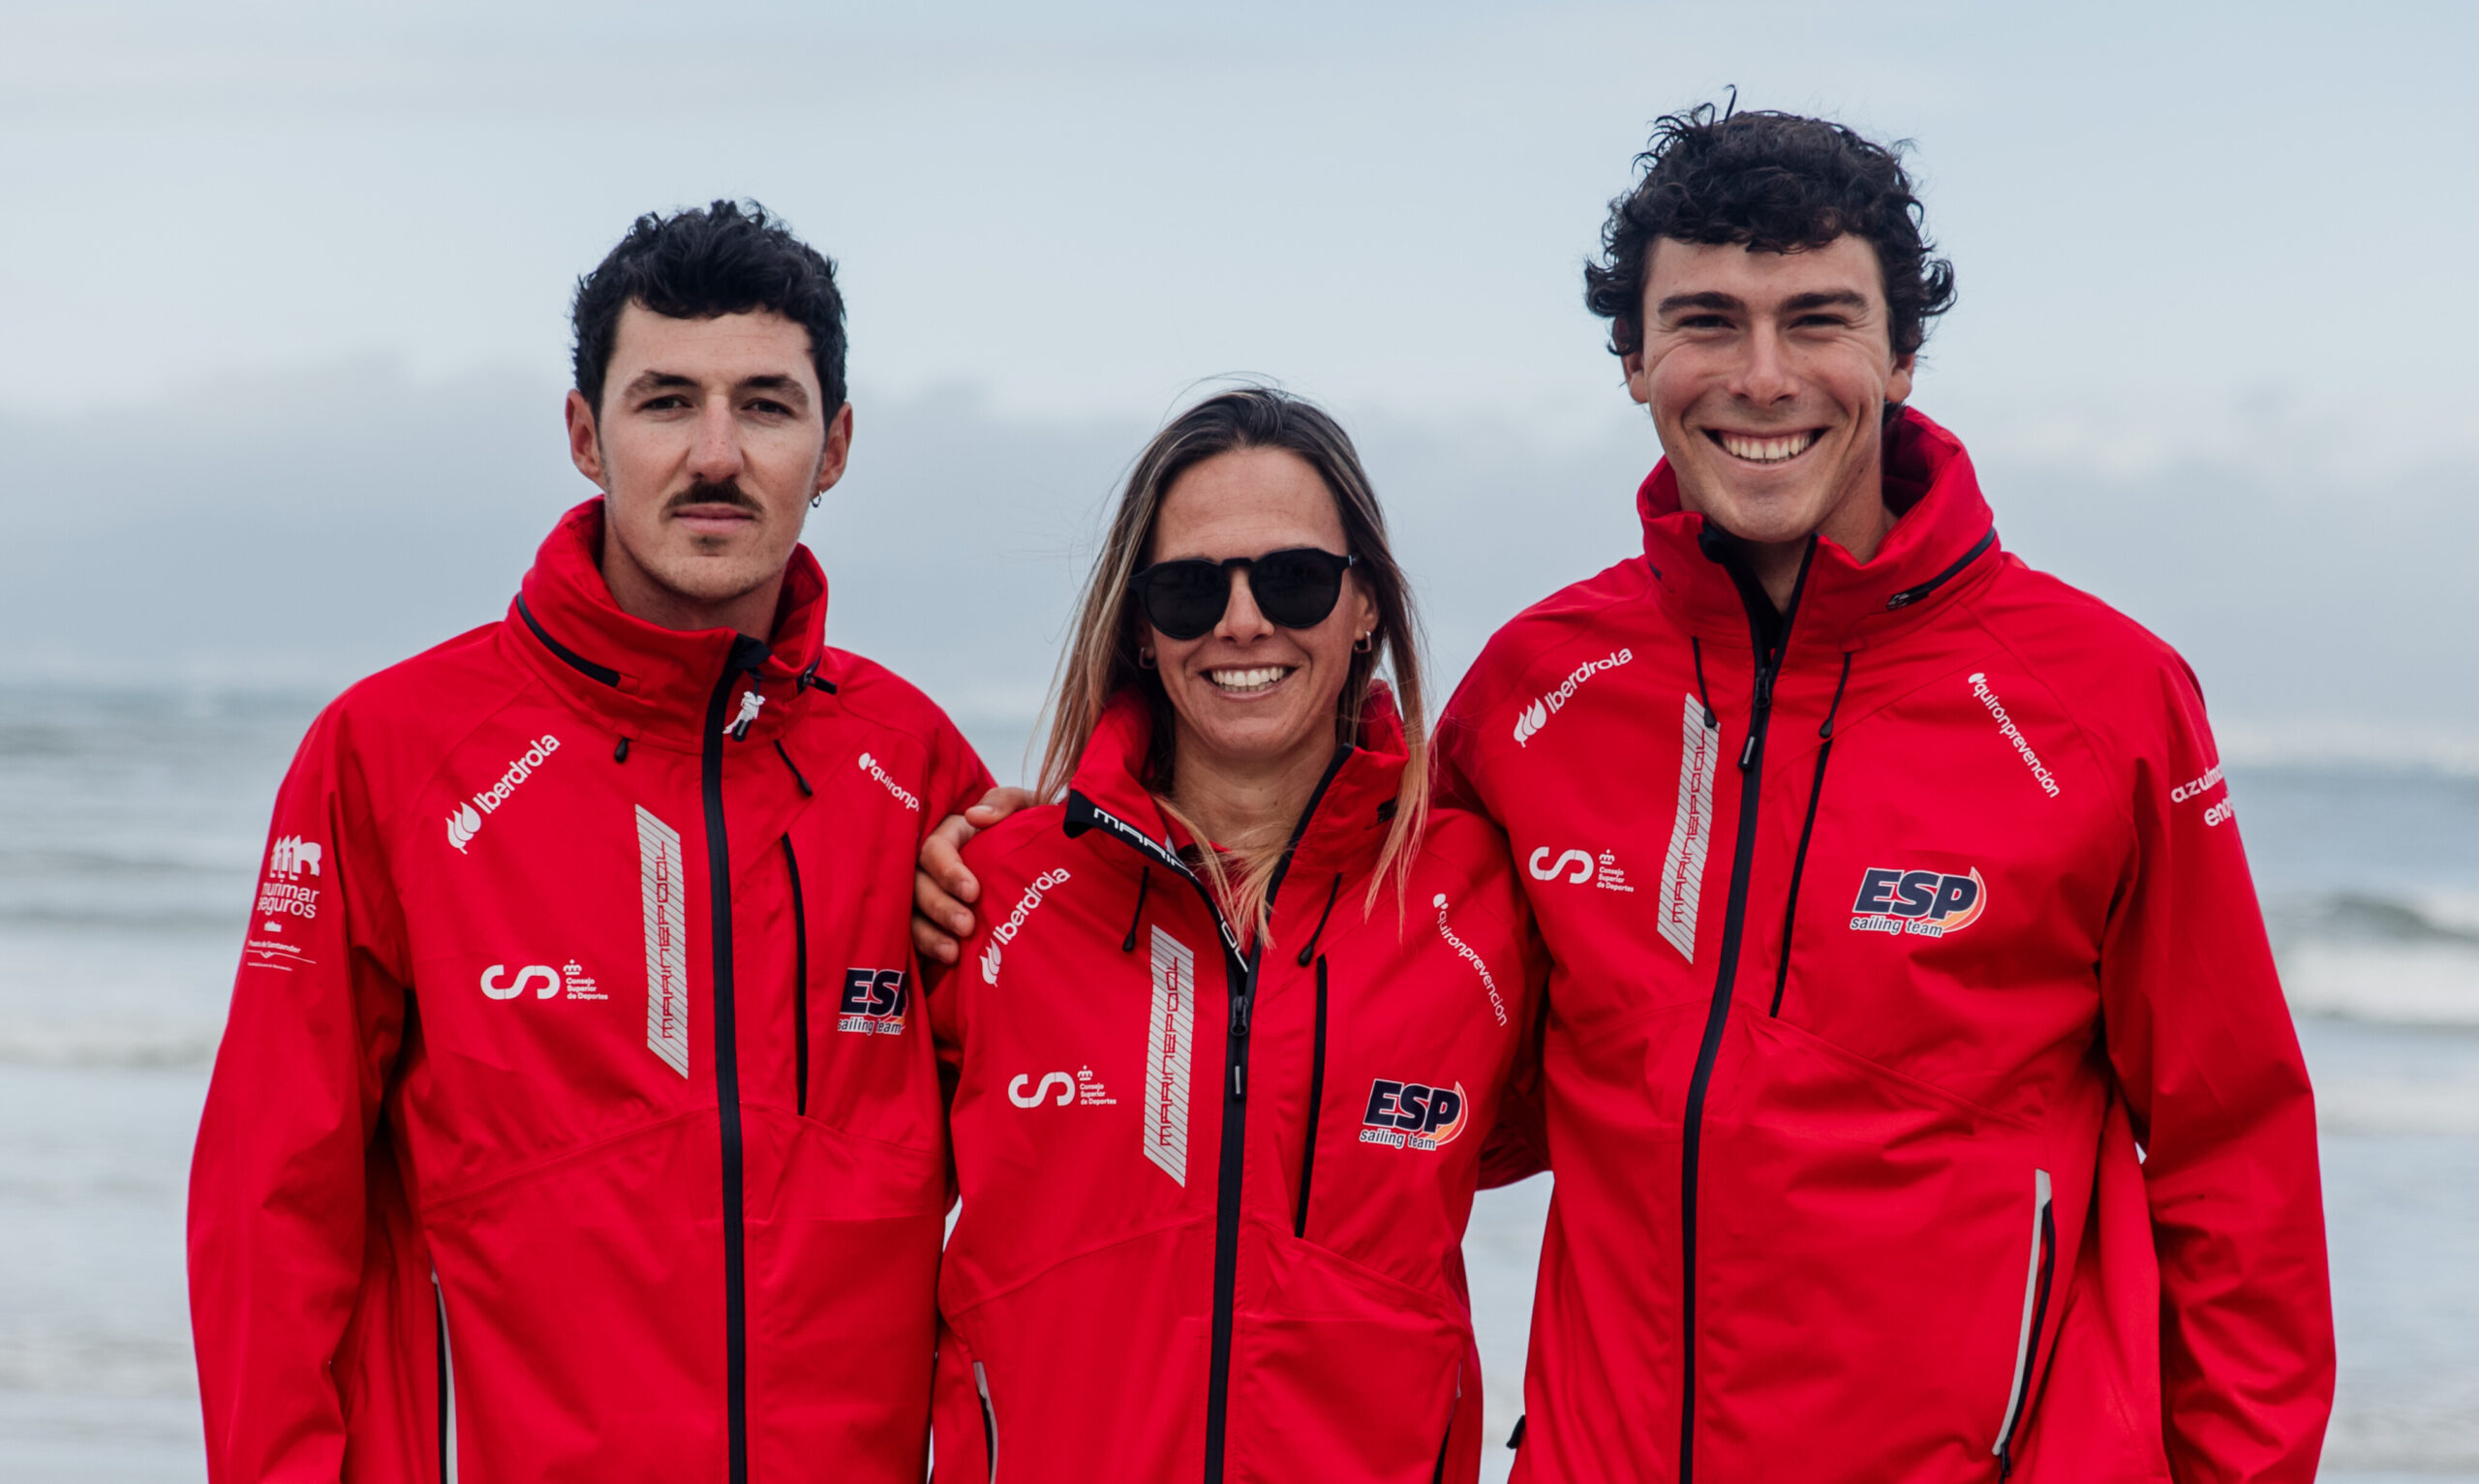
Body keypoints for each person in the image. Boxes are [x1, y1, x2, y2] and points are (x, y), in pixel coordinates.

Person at [919, 110, 2337, 1481]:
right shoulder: (1543, 688)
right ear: (1635, 359)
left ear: (1904, 355)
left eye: (1820, 320)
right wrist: (1051, 856)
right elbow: (1339, 937)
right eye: (1708, 320)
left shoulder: (2103, 697)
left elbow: (2234, 1153)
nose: (1764, 377)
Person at [188, 201, 992, 1482]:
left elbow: (1068, 1165)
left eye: (767, 407)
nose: (716, 454)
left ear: (834, 446)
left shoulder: (915, 767)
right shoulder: (391, 756)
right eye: (666, 400)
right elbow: (268, 1202)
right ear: (584, 433)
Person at [922, 388, 1540, 1482]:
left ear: (1365, 609)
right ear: (1139, 627)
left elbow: (1662, 1150)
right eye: (1189, 587)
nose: (1242, 622)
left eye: (1294, 578)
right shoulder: (989, 898)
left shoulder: (1481, 906)